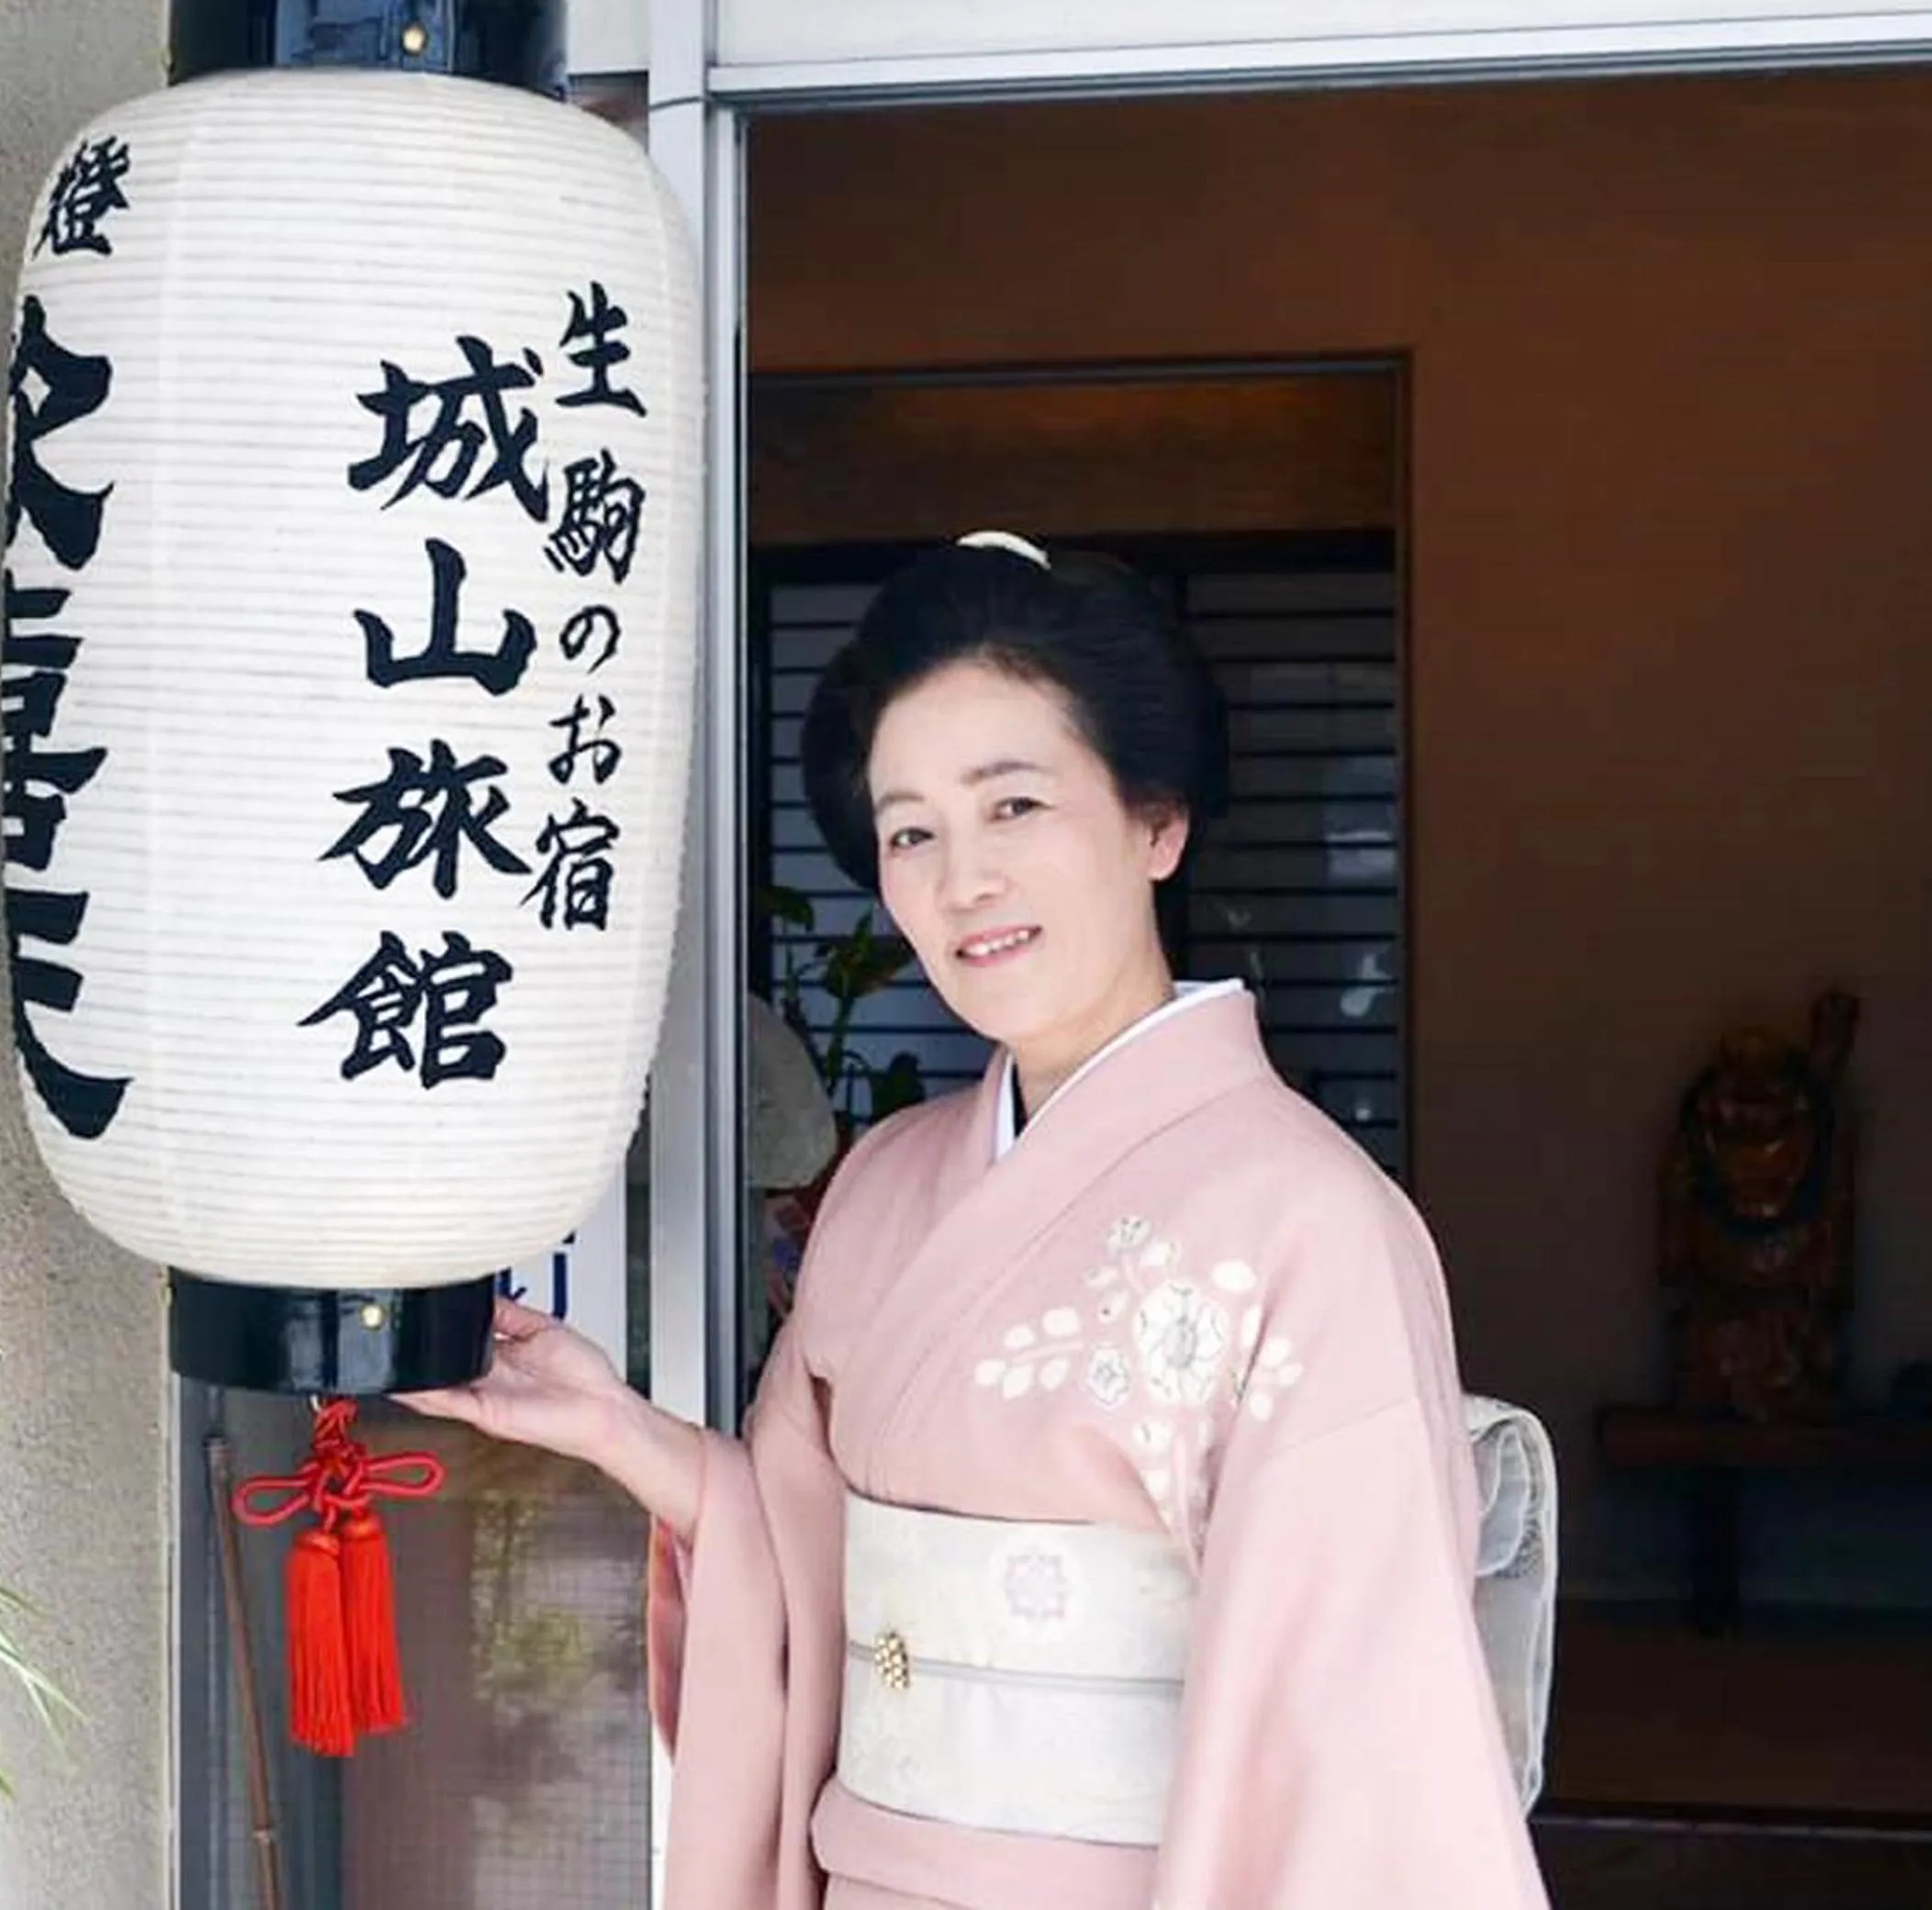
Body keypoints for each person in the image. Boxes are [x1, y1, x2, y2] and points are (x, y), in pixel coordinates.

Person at [404, 534, 1556, 1910]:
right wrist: (625, 1434)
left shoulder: (1315, 1227)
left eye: (1015, 807)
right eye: (910, 832)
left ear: (1155, 822)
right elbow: (802, 1567)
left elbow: (1360, 1750)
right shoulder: (883, 1190)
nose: (964, 881)